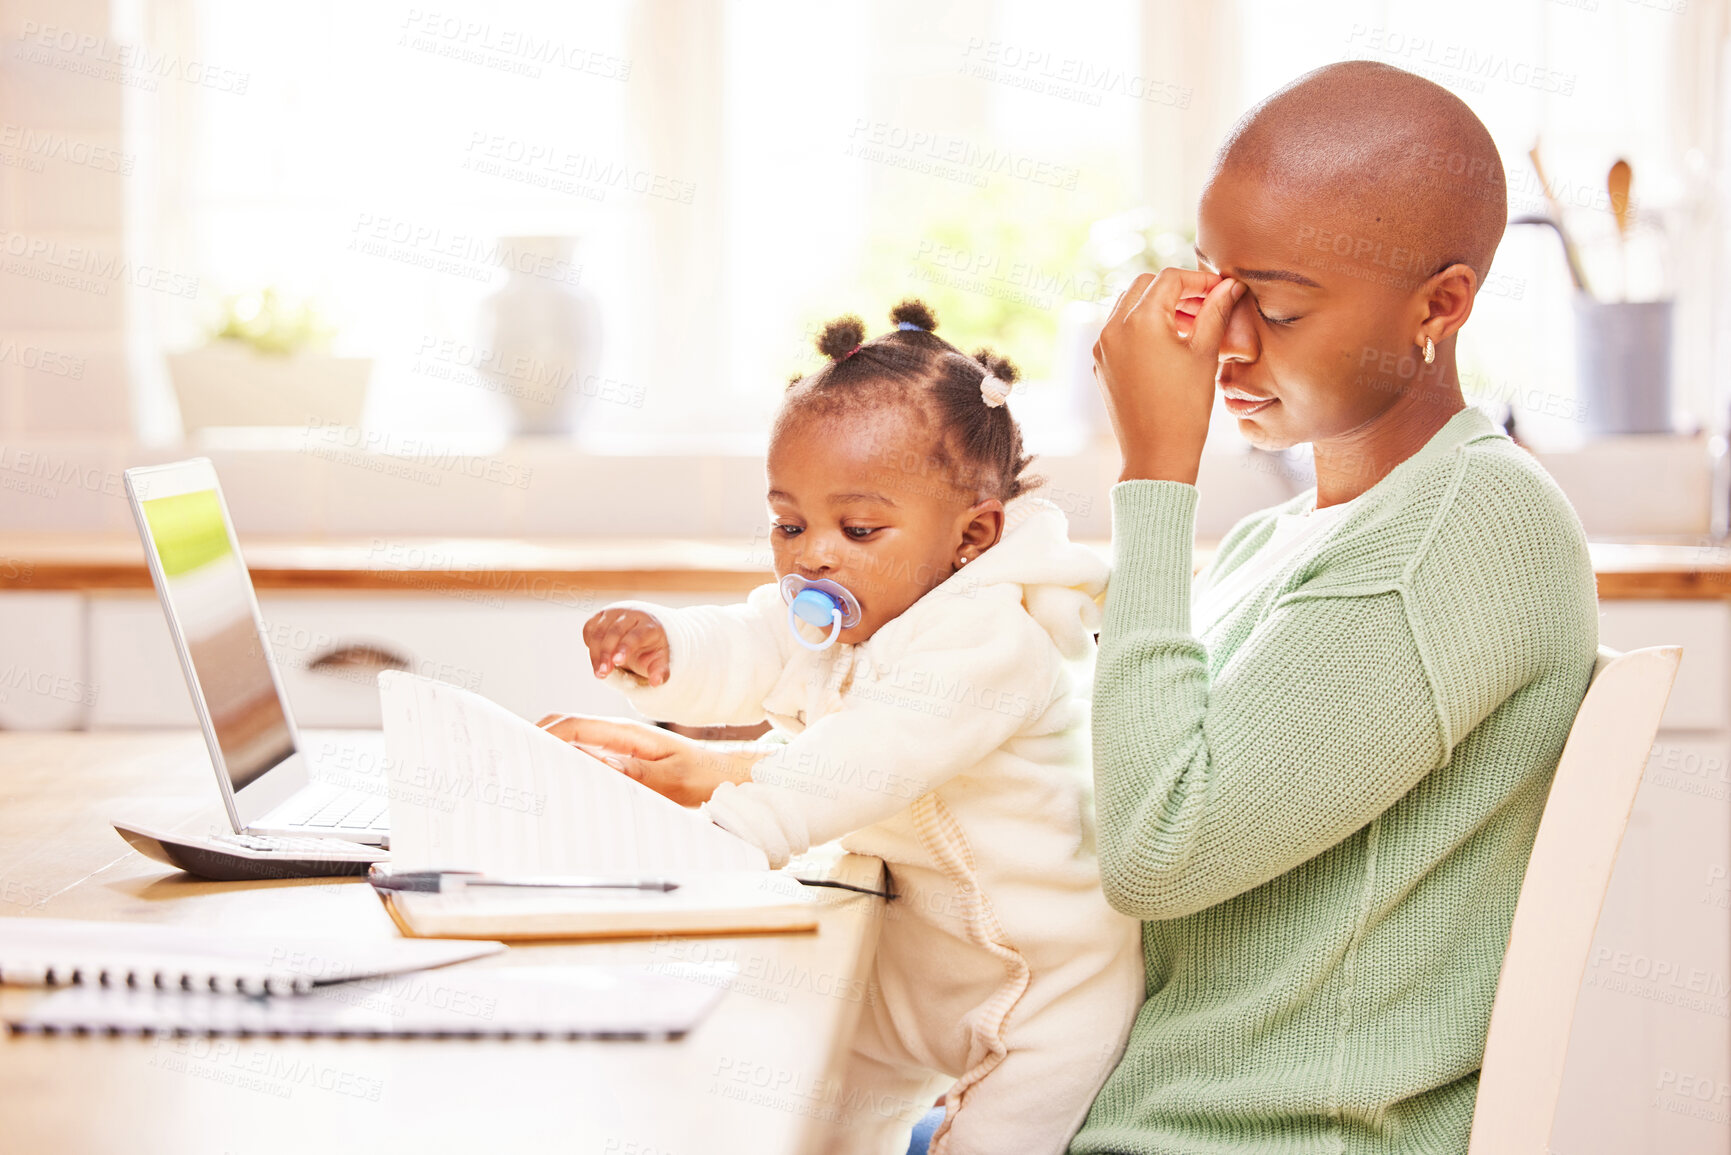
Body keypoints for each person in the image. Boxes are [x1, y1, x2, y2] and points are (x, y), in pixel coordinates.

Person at [1071, 61, 1599, 1154]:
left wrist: (1157, 475)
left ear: (1440, 306)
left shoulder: (1465, 529)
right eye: (1216, 287)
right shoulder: (1282, 539)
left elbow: (1155, 852)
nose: (1227, 339)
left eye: (1277, 304)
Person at [541, 301, 1143, 1155]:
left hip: (1038, 988)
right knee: (798, 1108)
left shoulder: (987, 641)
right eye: (789, 523)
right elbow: (751, 639)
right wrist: (667, 648)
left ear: (972, 535)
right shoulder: (844, 607)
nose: (813, 554)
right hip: (905, 955)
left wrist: (727, 834)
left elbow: (857, 762)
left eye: (857, 528)